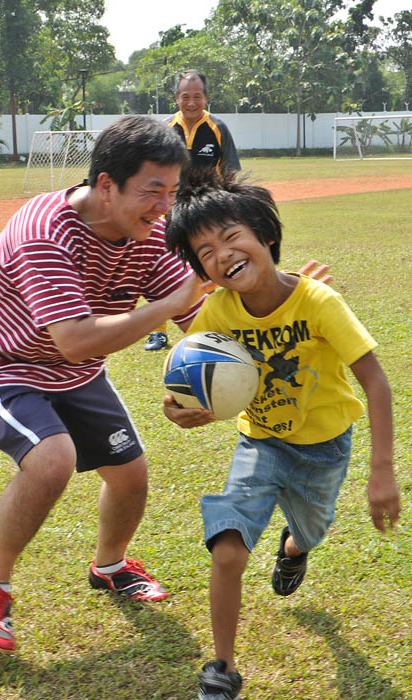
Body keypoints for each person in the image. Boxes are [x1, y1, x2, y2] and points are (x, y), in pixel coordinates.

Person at [0, 115, 215, 653]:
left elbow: (201, 318)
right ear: (107, 184)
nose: (165, 206)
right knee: (52, 459)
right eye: (152, 191)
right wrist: (167, 307)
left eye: (172, 192)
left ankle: (110, 567)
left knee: (130, 473)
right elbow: (74, 338)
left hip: (74, 371)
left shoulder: (152, 234)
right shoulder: (45, 229)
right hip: (0, 363)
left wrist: (284, 306)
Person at [163, 167, 400, 699]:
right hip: (261, 442)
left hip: (324, 448)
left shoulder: (318, 302)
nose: (220, 254)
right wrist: (180, 409)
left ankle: (294, 549)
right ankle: (221, 670)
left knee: (309, 530)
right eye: (204, 252)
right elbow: (187, 377)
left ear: (265, 235)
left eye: (230, 237)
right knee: (228, 547)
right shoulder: (218, 311)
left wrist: (381, 472)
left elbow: (376, 383)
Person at [145, 68, 241, 352]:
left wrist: (228, 209)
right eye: (185, 96)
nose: (191, 102)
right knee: (159, 268)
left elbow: (231, 173)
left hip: (205, 211)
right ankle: (158, 331)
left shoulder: (218, 129)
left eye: (197, 96)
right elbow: (152, 172)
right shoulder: (164, 130)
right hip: (168, 211)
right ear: (176, 98)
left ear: (206, 97)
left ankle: (220, 324)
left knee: (211, 266)